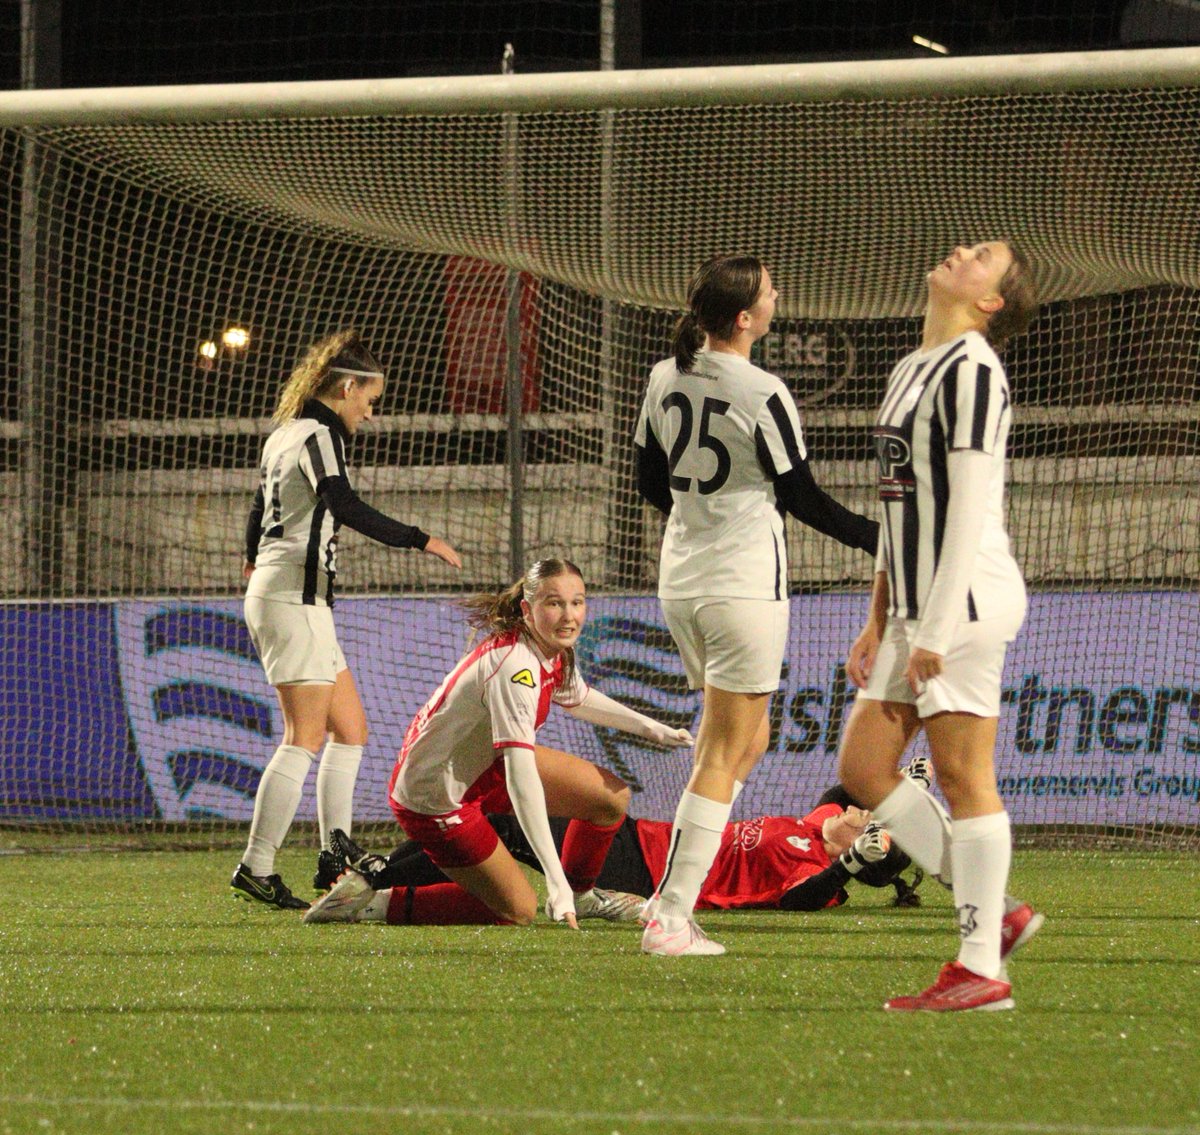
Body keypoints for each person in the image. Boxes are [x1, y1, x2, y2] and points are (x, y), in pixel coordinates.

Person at [633, 254, 880, 955]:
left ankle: (674, 893)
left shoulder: (662, 375)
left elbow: (651, 479)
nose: (778, 294)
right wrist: (877, 540)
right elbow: (801, 497)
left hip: (683, 578)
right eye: (771, 289)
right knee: (726, 746)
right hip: (741, 584)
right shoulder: (760, 388)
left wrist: (703, 520)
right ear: (745, 318)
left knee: (749, 739)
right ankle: (670, 914)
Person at [838, 241, 1043, 1011]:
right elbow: (900, 506)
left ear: (991, 301)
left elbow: (966, 508)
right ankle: (998, 912)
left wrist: (935, 628)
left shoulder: (973, 369)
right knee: (863, 765)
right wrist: (879, 613)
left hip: (966, 601)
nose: (962, 252)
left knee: (962, 776)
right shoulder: (909, 368)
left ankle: (980, 964)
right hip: (916, 608)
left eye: (982, 256)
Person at [312, 557, 694, 929]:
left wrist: (652, 728)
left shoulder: (550, 649)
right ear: (527, 609)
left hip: (482, 765)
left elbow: (579, 698)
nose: (569, 615)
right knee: (518, 910)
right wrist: (552, 878)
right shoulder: (517, 667)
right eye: (554, 603)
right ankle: (369, 903)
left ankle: (582, 896)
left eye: (577, 603)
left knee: (609, 797)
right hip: (436, 796)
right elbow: (521, 781)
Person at [232, 330, 463, 909]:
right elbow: (345, 505)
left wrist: (252, 558)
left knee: (351, 728)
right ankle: (257, 866)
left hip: (292, 597)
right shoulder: (319, 434)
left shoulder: (286, 433)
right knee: (302, 738)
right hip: (293, 599)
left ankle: (335, 849)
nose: (370, 410)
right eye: (369, 397)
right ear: (346, 386)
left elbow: (259, 506)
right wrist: (421, 539)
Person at [302, 761, 930, 929]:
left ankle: (375, 880)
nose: (857, 808)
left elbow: (801, 901)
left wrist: (848, 864)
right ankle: (375, 882)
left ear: (867, 850)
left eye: (870, 821)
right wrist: (904, 790)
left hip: (644, 870)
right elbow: (846, 781)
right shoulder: (820, 819)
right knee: (507, 826)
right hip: (642, 838)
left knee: (513, 831)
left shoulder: (815, 874)